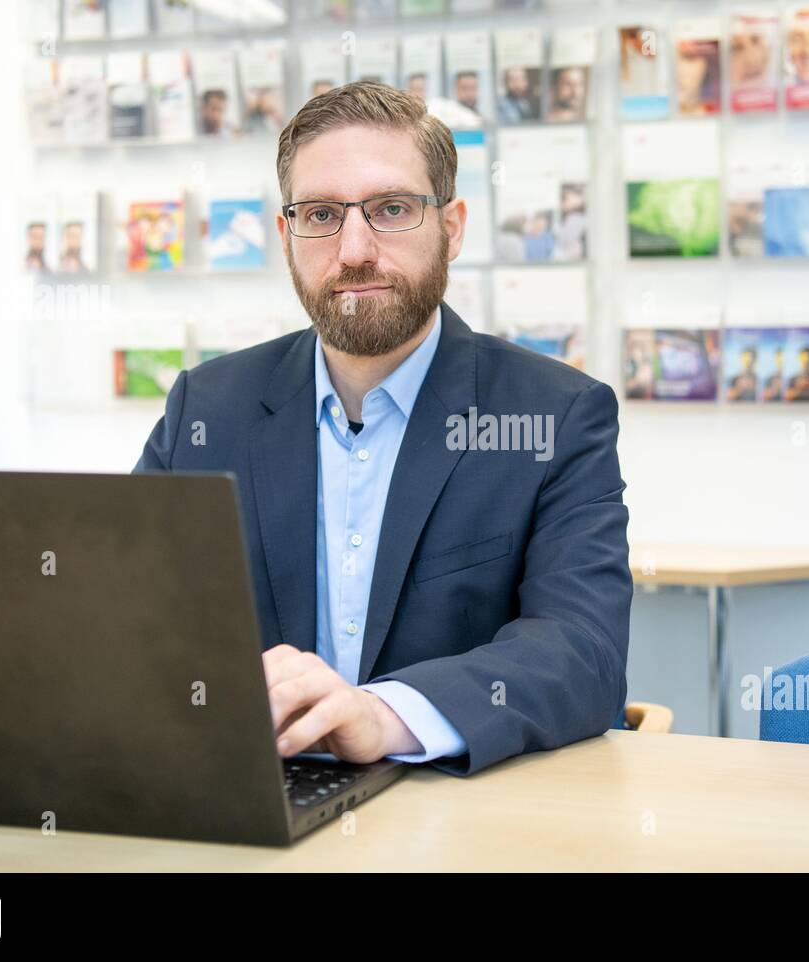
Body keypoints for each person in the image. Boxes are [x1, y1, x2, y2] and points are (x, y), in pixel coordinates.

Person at [135, 81, 631, 776]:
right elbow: (129, 618)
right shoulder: (206, 409)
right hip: (254, 802)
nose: (355, 249)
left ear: (451, 228)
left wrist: (383, 716)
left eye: (392, 209)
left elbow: (584, 654)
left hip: (461, 823)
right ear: (286, 236)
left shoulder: (554, 415)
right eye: (321, 214)